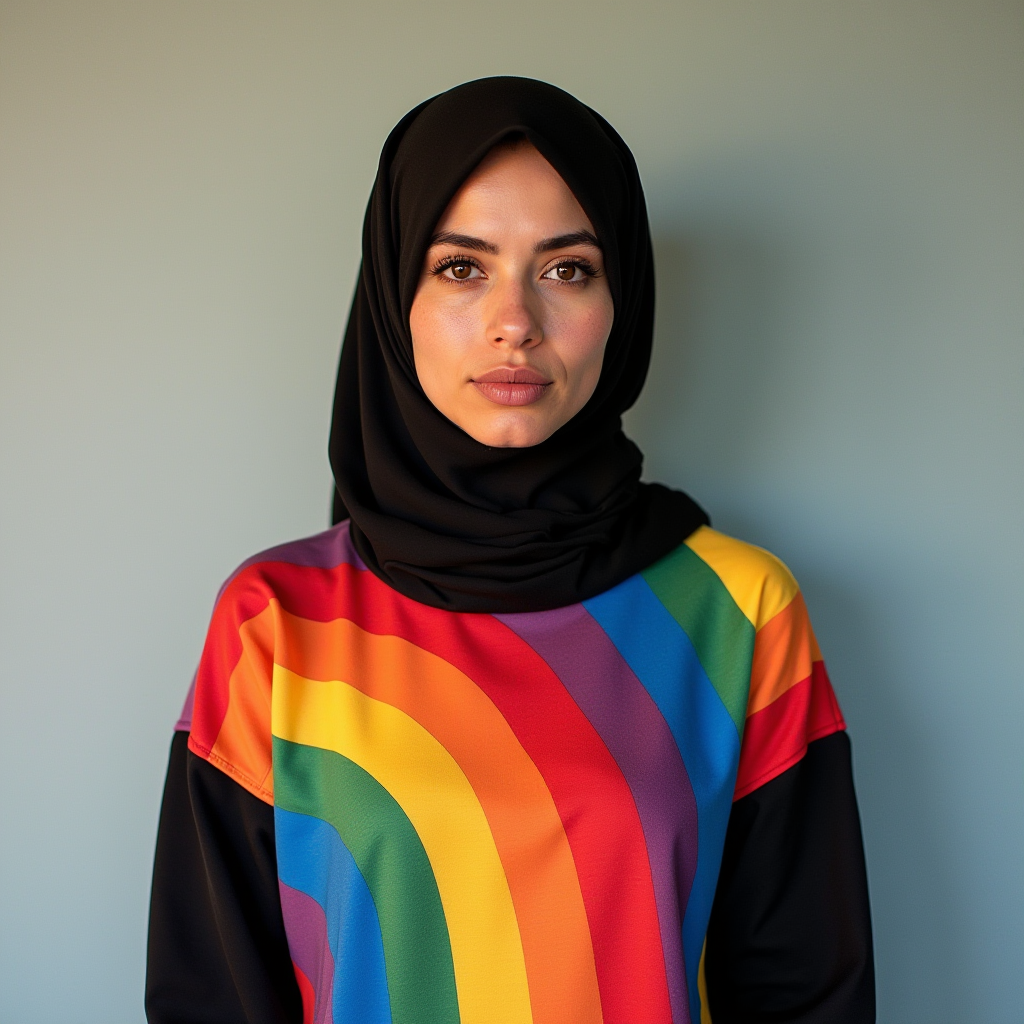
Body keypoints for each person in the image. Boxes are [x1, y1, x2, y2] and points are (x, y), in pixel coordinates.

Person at [146, 77, 874, 1024]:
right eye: (461, 267)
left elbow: (805, 989)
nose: (516, 320)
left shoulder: (740, 611)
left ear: (626, 305)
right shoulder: (276, 621)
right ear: (392, 295)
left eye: (567, 268)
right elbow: (214, 992)